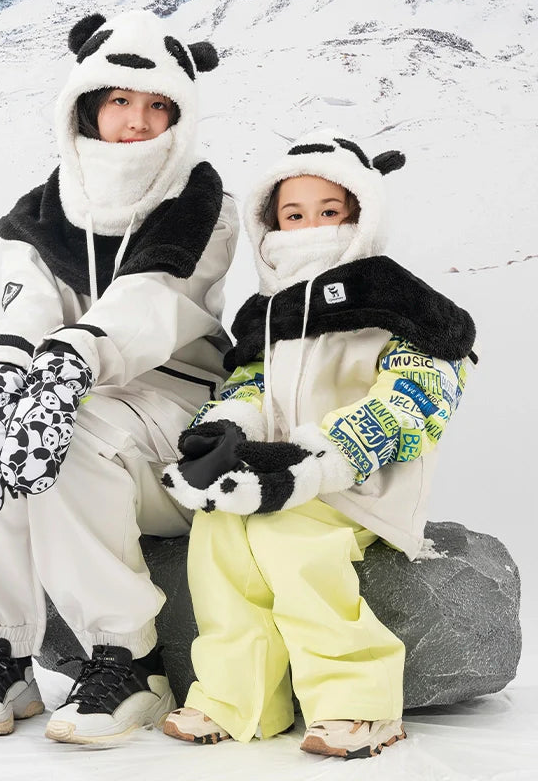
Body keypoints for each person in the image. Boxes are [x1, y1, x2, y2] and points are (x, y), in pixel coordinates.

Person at [0, 9, 238, 743]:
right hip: (63, 386)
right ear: (87, 102)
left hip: (167, 408)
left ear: (180, 111)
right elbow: (29, 293)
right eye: (120, 101)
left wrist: (73, 358)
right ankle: (0, 652)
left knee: (72, 434)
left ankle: (129, 663)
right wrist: (10, 368)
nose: (136, 121)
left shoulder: (203, 200)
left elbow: (158, 303)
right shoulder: (46, 203)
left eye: (157, 105)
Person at [160, 129, 478, 758]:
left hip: (362, 478)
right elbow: (248, 385)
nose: (311, 228)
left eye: (330, 213)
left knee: (290, 540)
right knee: (218, 538)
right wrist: (227, 429)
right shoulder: (270, 311)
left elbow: (418, 398)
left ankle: (359, 703)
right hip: (271, 477)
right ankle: (235, 696)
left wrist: (323, 456)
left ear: (362, 216)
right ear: (269, 224)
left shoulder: (401, 299)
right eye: (293, 215)